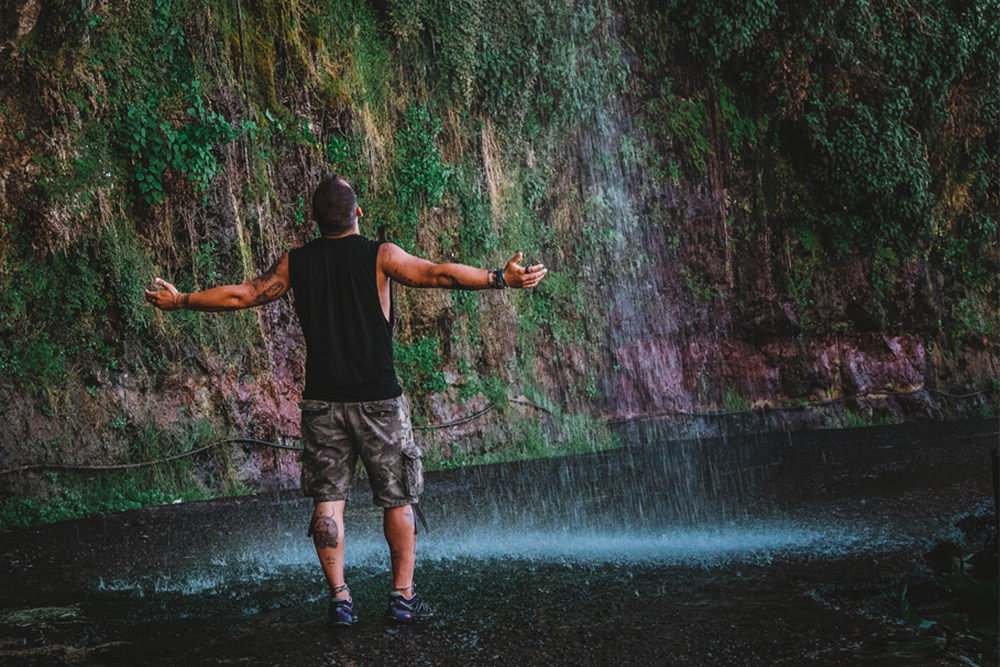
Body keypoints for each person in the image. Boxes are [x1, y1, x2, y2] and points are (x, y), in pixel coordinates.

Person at [145, 175, 547, 626]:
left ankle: (340, 599)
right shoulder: (380, 255)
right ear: (357, 213)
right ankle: (402, 598)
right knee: (398, 500)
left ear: (313, 220)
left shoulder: (296, 263)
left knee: (328, 502)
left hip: (322, 405)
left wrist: (180, 301)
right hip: (379, 401)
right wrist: (499, 278)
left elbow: (244, 294)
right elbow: (437, 273)